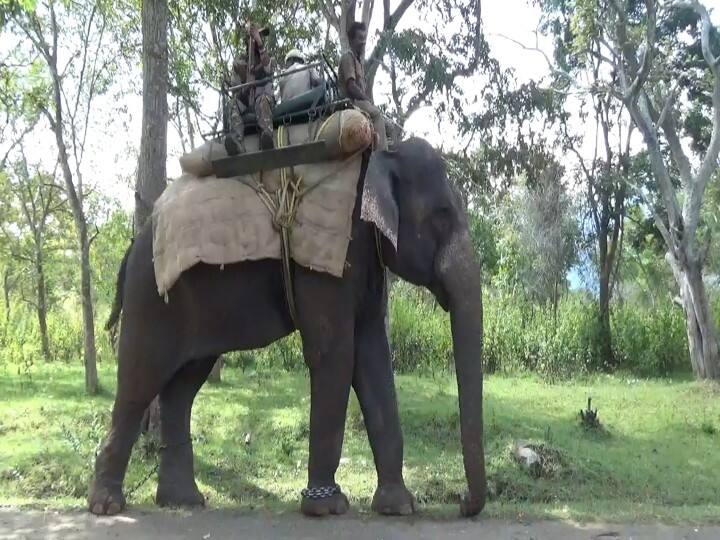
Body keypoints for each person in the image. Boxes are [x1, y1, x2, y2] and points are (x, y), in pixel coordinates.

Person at [225, 23, 276, 154]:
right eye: (252, 38)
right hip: (248, 102)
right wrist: (245, 84)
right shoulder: (242, 62)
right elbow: (236, 91)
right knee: (232, 104)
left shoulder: (266, 58)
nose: (254, 40)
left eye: (258, 37)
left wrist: (258, 41)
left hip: (264, 99)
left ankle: (267, 136)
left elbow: (267, 67)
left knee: (262, 100)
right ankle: (237, 142)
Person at [337, 22, 388, 151]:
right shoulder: (347, 57)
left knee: (389, 126)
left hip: (359, 101)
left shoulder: (358, 61)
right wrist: (366, 99)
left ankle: (382, 146)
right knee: (376, 114)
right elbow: (351, 86)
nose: (363, 42)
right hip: (350, 102)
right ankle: (382, 155)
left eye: (364, 38)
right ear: (351, 40)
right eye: (360, 38)